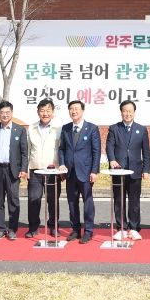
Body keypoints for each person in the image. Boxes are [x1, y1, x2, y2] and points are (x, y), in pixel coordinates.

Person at [106, 100, 150, 241]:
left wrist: (146, 169)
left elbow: (146, 152)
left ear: (134, 112)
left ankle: (134, 228)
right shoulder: (114, 128)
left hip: (135, 170)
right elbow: (109, 146)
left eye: (130, 111)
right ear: (121, 112)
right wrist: (112, 160)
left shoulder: (141, 129)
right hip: (118, 170)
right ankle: (121, 228)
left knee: (134, 201)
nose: (127, 113)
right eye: (125, 111)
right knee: (119, 200)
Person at [58, 100, 101, 244]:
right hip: (70, 172)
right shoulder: (65, 128)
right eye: (71, 109)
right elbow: (61, 149)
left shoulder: (92, 128)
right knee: (72, 202)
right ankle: (75, 229)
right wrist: (62, 164)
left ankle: (88, 231)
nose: (74, 111)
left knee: (87, 202)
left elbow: (96, 151)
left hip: (86, 171)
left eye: (76, 109)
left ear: (82, 111)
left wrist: (94, 171)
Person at [0, 100, 28, 240]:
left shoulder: (20, 130)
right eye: (2, 112)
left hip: (13, 170)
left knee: (13, 200)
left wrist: (23, 169)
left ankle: (12, 229)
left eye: (7, 112)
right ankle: (0, 228)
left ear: (12, 113)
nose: (5, 115)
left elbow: (24, 152)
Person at [26, 98, 62, 238]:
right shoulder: (31, 128)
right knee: (33, 200)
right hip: (35, 170)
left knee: (53, 201)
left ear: (53, 112)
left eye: (48, 110)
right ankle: (33, 228)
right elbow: (27, 150)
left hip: (53, 171)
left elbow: (62, 150)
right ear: (38, 112)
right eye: (42, 110)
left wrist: (61, 169)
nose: (45, 113)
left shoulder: (59, 128)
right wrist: (26, 169)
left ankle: (53, 226)